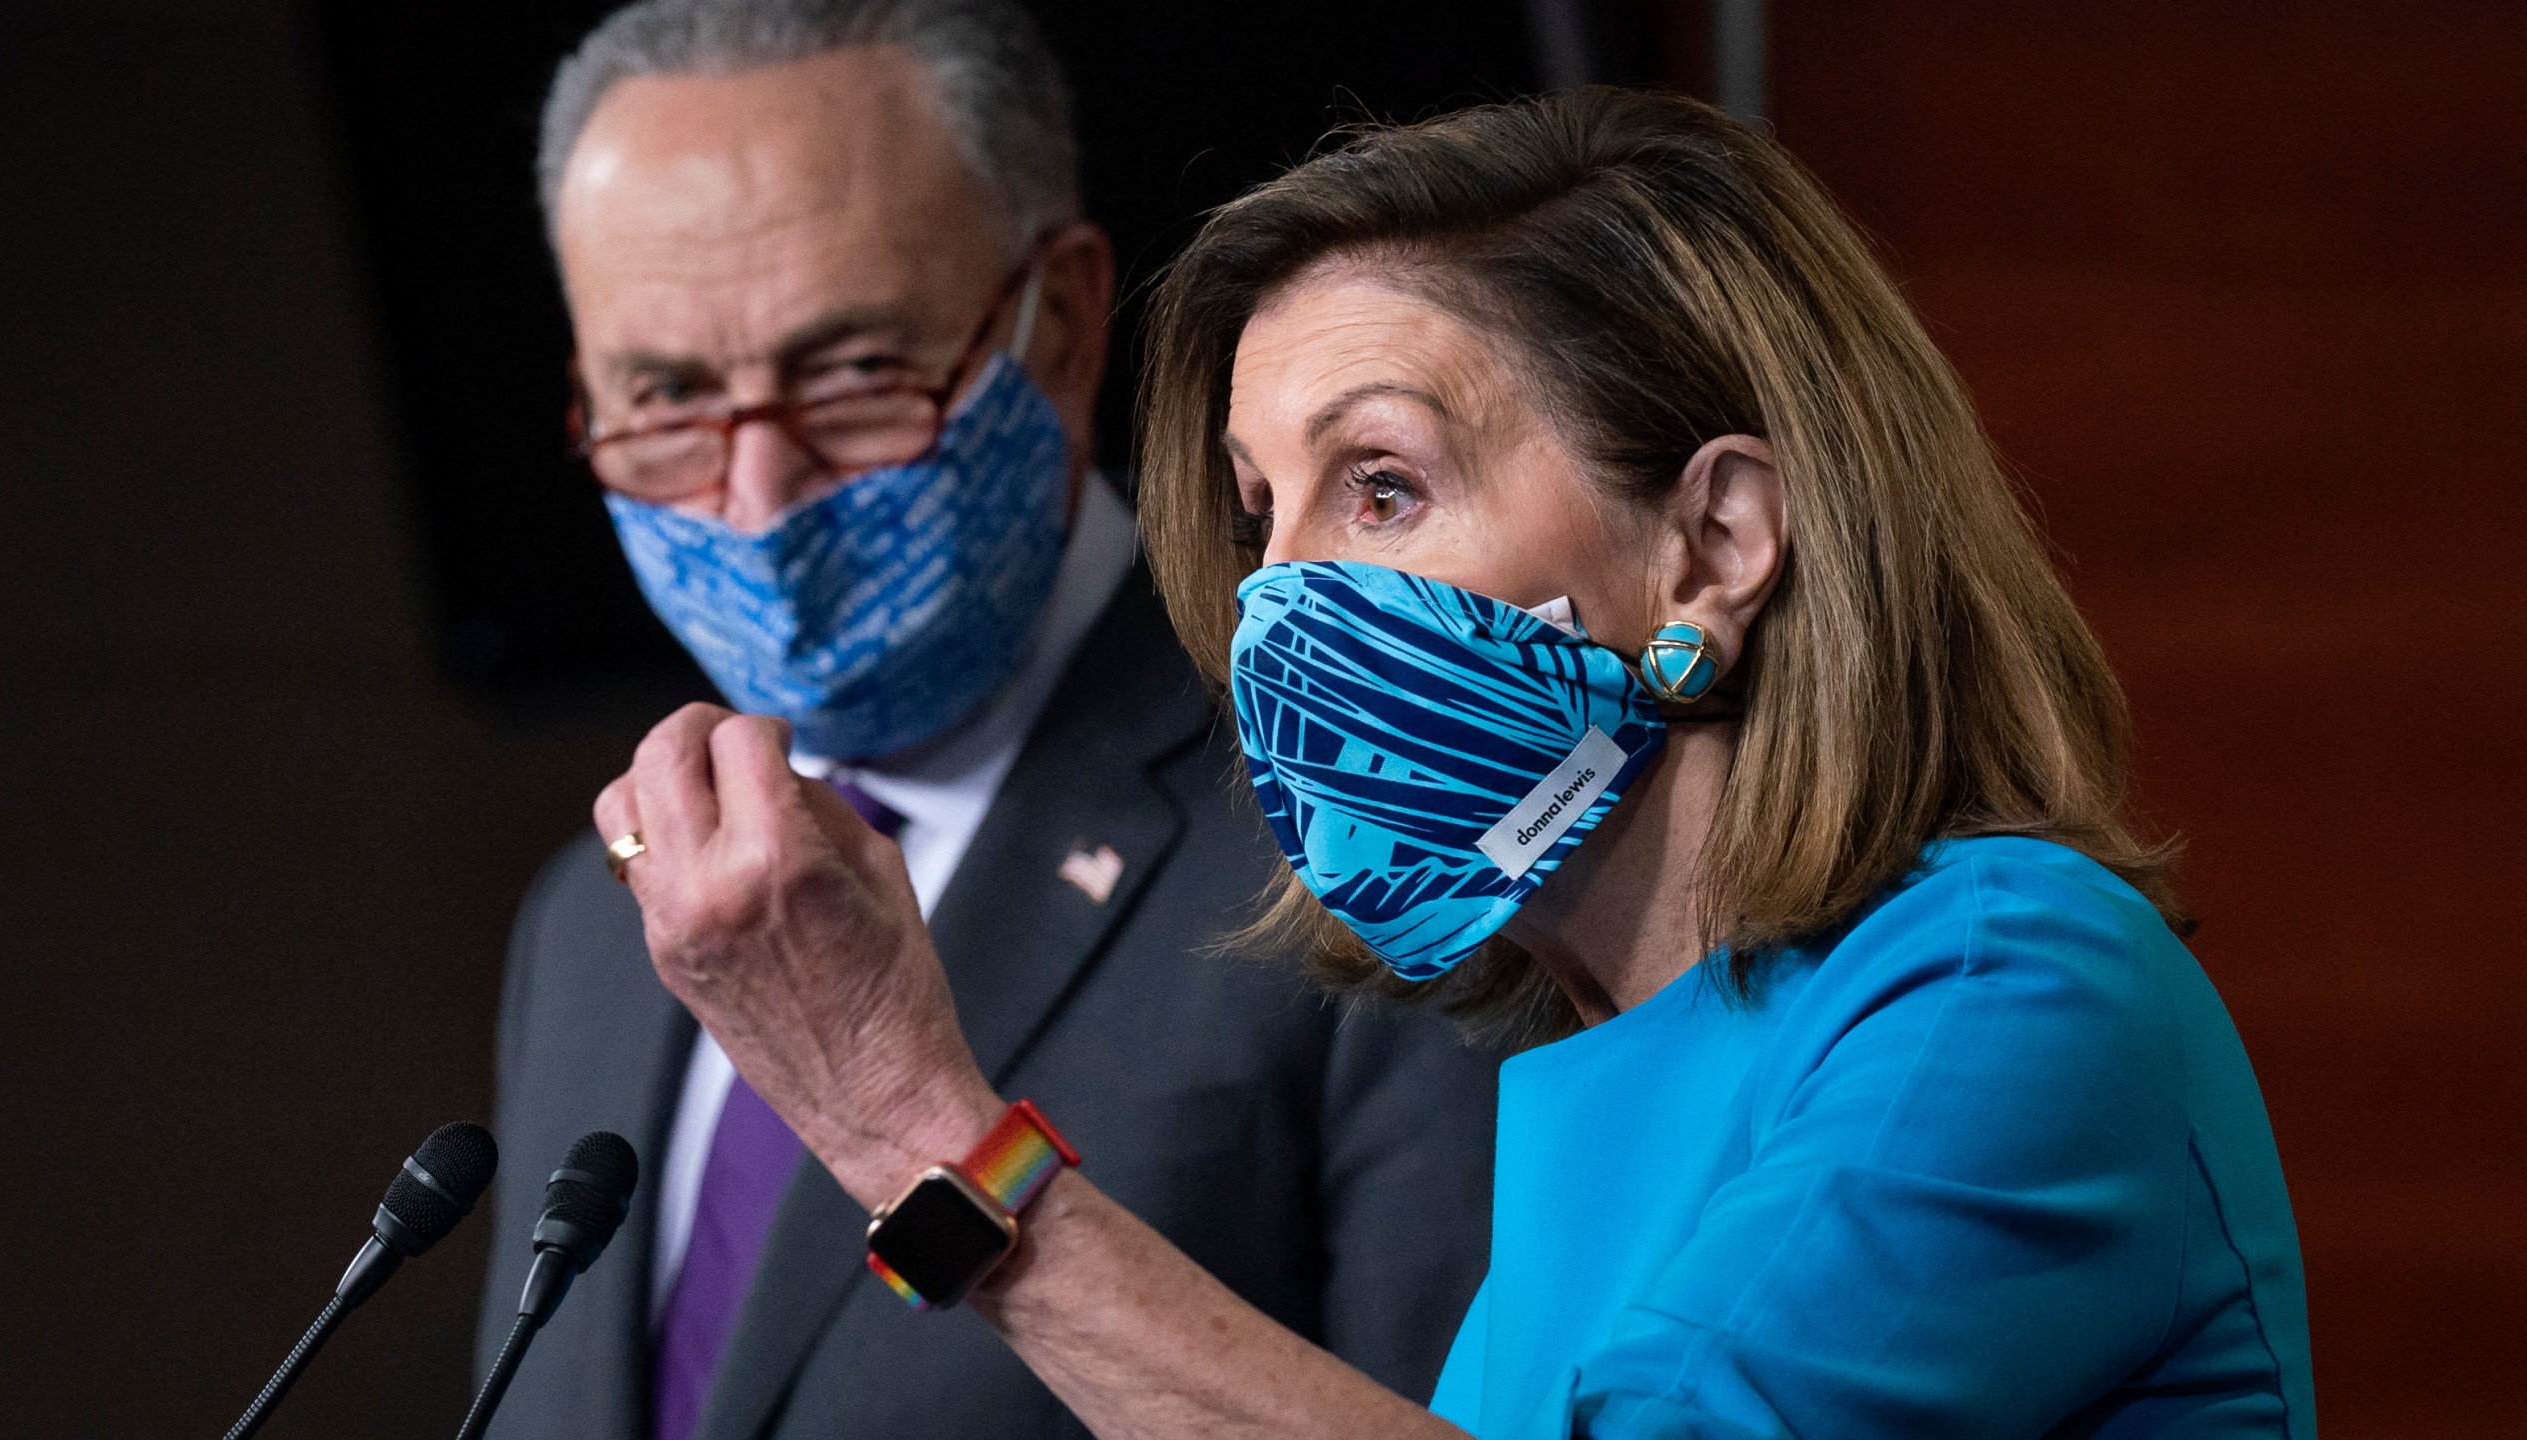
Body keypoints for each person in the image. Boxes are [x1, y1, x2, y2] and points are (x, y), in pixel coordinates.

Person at [597, 86, 2316, 1439]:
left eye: (1385, 487)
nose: (1279, 604)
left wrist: (914, 1128)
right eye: (1264, 515)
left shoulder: (2009, 984)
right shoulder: (1594, 1070)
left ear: (1714, 541)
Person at [475, 2, 1501, 1437]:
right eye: (666, 397)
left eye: (851, 374)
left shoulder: (1371, 817)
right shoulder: (594, 921)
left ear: (1066, 322)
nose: (759, 501)